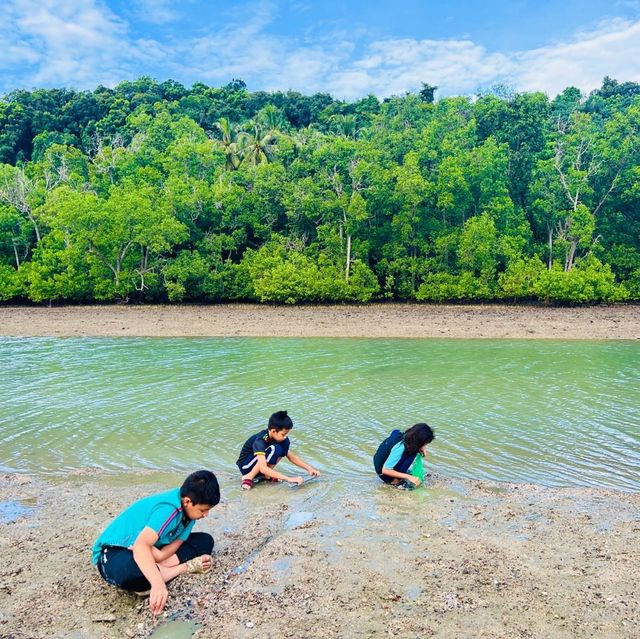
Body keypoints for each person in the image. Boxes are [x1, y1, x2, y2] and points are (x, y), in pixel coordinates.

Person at [92, 469, 220, 615]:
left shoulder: (190, 515)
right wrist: (158, 584)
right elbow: (141, 544)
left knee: (205, 541)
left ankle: (154, 568)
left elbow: (172, 547)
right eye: (203, 510)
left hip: (151, 548)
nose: (206, 514)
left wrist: (155, 555)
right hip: (115, 551)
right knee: (133, 574)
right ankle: (180, 568)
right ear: (187, 501)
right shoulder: (169, 509)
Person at [236, 410, 320, 490]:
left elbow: (291, 457)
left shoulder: (282, 440)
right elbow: (262, 468)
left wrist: (309, 468)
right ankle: (249, 477)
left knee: (283, 446)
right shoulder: (260, 440)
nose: (285, 436)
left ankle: (266, 476)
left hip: (259, 464)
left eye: (287, 433)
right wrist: (288, 479)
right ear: (273, 431)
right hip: (246, 466)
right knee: (274, 449)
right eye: (283, 434)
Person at [374, 423, 435, 489]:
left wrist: (422, 447)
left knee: (413, 449)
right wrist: (409, 477)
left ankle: (399, 474)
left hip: (379, 460)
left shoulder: (406, 436)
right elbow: (385, 470)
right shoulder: (400, 447)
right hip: (382, 471)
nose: (424, 446)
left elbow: (395, 431)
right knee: (412, 452)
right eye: (424, 444)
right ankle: (393, 480)